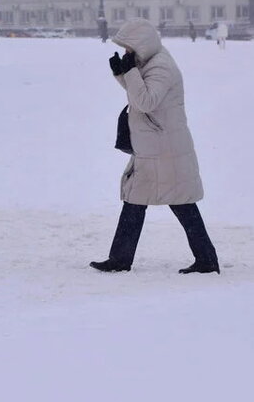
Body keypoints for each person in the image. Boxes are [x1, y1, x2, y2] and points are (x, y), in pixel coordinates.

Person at [90, 19, 220, 274]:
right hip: (155, 147)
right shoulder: (150, 62)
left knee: (178, 204)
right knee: (139, 201)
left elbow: (147, 101)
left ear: (142, 44)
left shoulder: (161, 67)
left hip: (165, 150)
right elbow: (141, 94)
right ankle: (121, 259)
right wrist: (122, 74)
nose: (127, 52)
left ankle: (206, 260)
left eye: (129, 48)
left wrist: (129, 72)